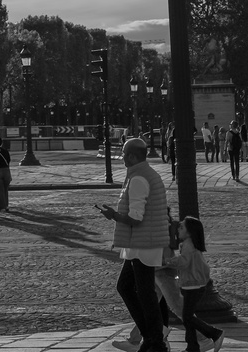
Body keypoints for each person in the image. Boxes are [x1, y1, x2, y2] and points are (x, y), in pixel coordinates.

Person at [97, 138, 170, 352]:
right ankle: (152, 337)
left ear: (132, 156)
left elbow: (136, 217)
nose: (121, 157)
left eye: (123, 153)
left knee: (142, 293)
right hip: (142, 242)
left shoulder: (138, 178)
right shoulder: (145, 174)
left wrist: (113, 216)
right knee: (133, 289)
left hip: (143, 243)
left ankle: (154, 339)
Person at [163, 216, 224, 352]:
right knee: (187, 317)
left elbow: (184, 262)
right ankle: (192, 346)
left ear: (189, 232)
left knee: (187, 317)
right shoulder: (188, 244)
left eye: (182, 227)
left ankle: (214, 333)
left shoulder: (188, 245)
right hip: (190, 284)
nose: (178, 229)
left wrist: (168, 261)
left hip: (193, 285)